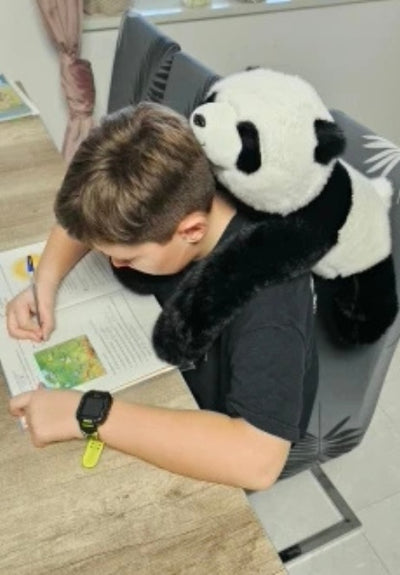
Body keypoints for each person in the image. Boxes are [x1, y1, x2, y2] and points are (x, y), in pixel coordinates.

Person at [6, 102, 318, 491]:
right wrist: (44, 283)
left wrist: (86, 412)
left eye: (127, 257)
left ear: (191, 230)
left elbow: (258, 460)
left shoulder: (269, 293)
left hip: (219, 421)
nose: (115, 264)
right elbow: (85, 222)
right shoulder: (181, 172)